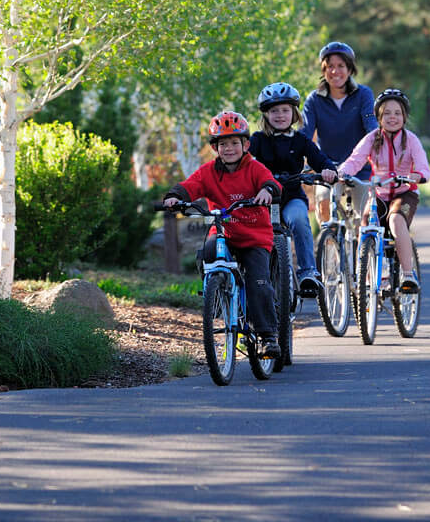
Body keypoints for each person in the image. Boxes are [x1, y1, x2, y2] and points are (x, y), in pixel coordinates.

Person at [162, 110, 283, 358]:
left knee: (258, 282)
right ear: (215, 147)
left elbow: (270, 182)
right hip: (224, 234)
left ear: (245, 145)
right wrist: (175, 197)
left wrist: (267, 192)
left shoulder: (254, 168)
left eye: (234, 143)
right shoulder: (209, 172)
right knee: (206, 253)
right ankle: (216, 301)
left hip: (254, 237)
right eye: (223, 144)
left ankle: (268, 335)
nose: (229, 148)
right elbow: (190, 186)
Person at [249, 82, 338, 297]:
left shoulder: (300, 140)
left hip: (291, 198)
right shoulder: (258, 140)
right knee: (253, 234)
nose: (280, 115)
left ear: (294, 113)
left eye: (285, 110)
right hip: (263, 200)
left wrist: (328, 171)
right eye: (274, 111)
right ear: (266, 114)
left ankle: (308, 272)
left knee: (298, 219)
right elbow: (244, 160)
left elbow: (321, 160)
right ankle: (251, 277)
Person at [337, 89, 430, 293]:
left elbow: (424, 166)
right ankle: (369, 275)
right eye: (387, 113)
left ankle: (408, 275)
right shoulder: (372, 138)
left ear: (404, 116)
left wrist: (418, 175)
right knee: (367, 222)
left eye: (397, 113)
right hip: (378, 192)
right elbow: (355, 160)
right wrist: (343, 172)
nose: (392, 117)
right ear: (379, 116)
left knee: (395, 221)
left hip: (404, 192)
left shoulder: (411, 139)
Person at [301, 41, 378, 224]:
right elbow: (305, 134)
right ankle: (329, 244)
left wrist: (378, 147)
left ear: (350, 69)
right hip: (327, 168)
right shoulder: (314, 100)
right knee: (323, 205)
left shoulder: (363, 94)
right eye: (330, 67)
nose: (335, 72)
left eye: (341, 66)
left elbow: (371, 125)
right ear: (323, 71)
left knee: (363, 220)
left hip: (359, 168)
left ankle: (360, 250)